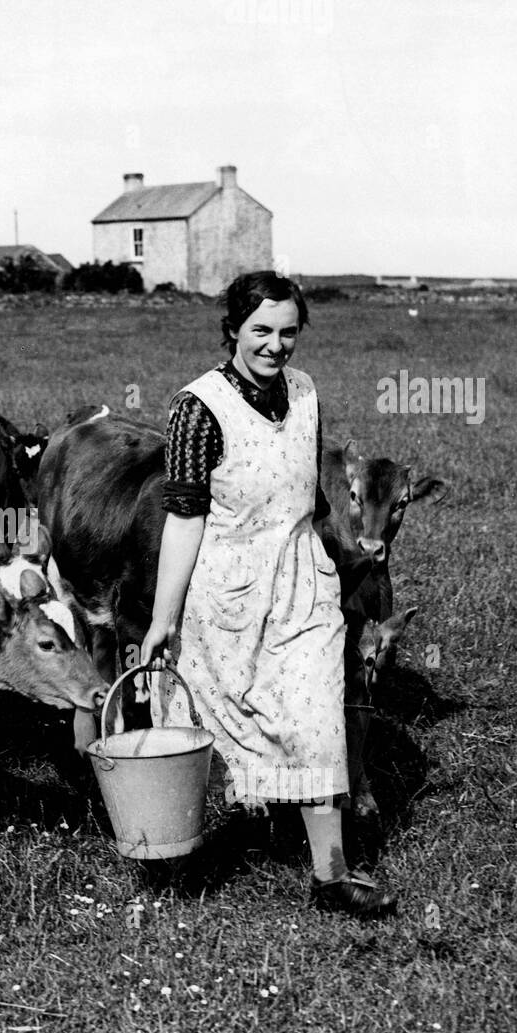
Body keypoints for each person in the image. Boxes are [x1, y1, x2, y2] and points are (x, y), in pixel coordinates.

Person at [139, 271, 396, 918]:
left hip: (302, 582)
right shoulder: (196, 409)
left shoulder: (305, 393)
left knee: (316, 717)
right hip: (223, 595)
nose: (276, 346)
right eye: (261, 331)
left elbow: (310, 496)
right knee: (203, 720)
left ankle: (331, 875)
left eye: (288, 332)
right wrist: (163, 621)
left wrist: (339, 564)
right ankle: (174, 856)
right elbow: (184, 518)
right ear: (232, 330)